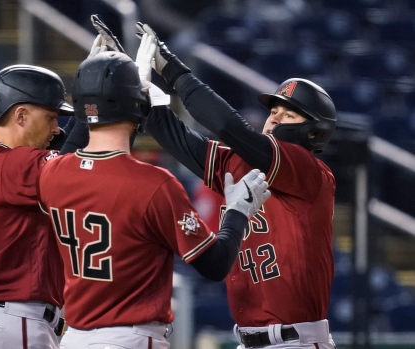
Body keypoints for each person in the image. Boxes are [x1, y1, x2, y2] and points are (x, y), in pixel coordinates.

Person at [37, 50, 271, 349]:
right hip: (130, 338)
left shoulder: (51, 172)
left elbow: (91, 161)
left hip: (73, 338)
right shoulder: (154, 184)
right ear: (138, 105)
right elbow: (214, 265)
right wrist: (238, 212)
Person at [135, 22, 338, 349]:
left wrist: (174, 71)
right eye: (274, 110)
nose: (274, 118)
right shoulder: (245, 161)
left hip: (296, 341)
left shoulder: (311, 172)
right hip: (245, 338)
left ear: (315, 133)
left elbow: (230, 127)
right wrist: (141, 96)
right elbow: (183, 143)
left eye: (289, 114)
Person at [0, 64, 80, 349]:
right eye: (50, 117)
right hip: (16, 322)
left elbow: (61, 155)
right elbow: (71, 166)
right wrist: (95, 100)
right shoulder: (14, 164)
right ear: (20, 115)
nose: (56, 127)